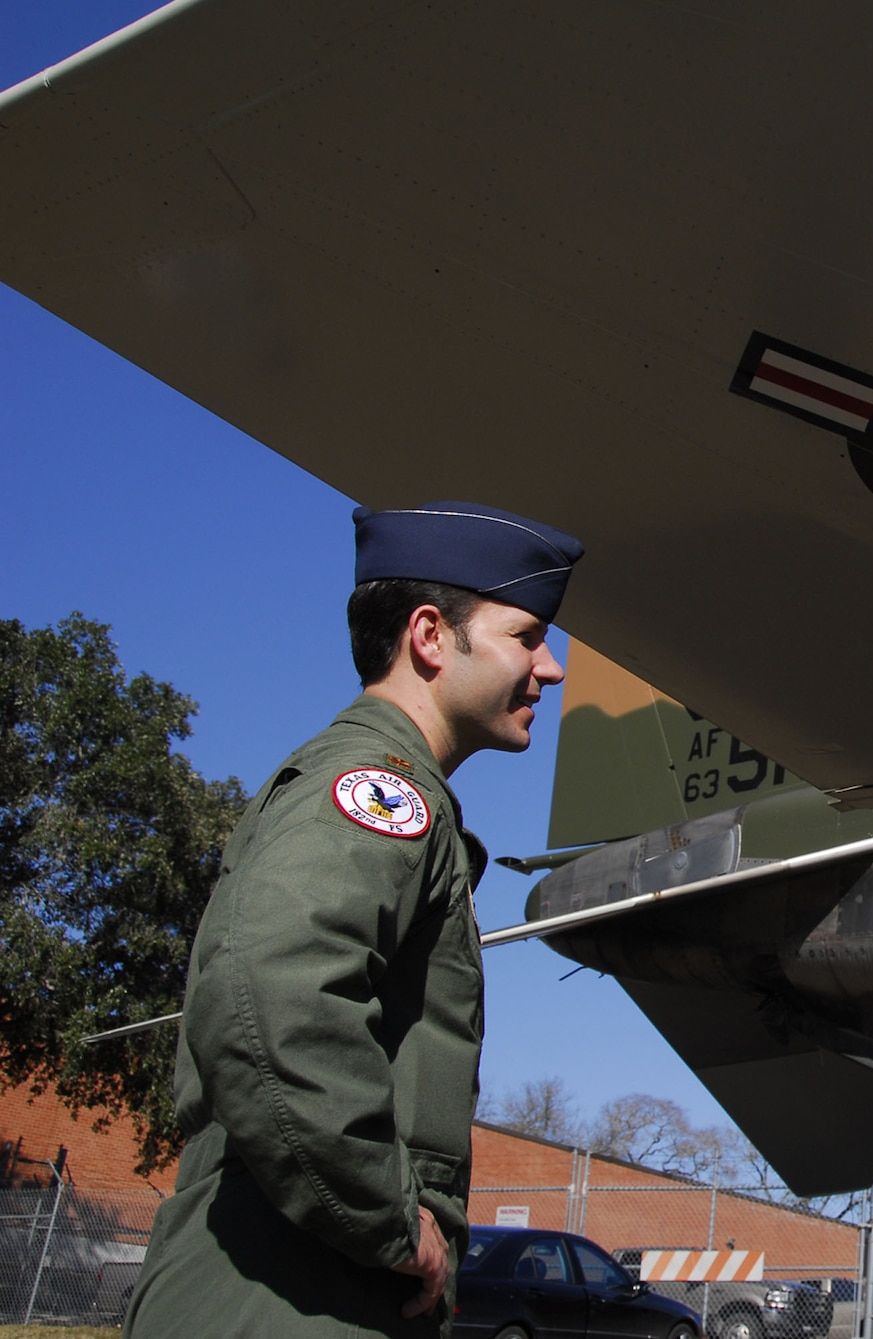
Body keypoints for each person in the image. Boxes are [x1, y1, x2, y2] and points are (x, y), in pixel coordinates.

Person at [126, 501, 585, 1339]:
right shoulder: (377, 790)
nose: (549, 668)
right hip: (291, 1285)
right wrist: (390, 1217)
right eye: (526, 636)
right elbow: (272, 994)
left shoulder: (401, 795)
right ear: (430, 635)